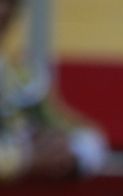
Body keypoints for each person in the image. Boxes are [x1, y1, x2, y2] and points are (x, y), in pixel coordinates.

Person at [0, 0, 106, 182]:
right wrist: (28, 160)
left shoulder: (16, 74)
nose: (1, 10)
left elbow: (82, 136)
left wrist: (66, 151)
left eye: (8, 3)